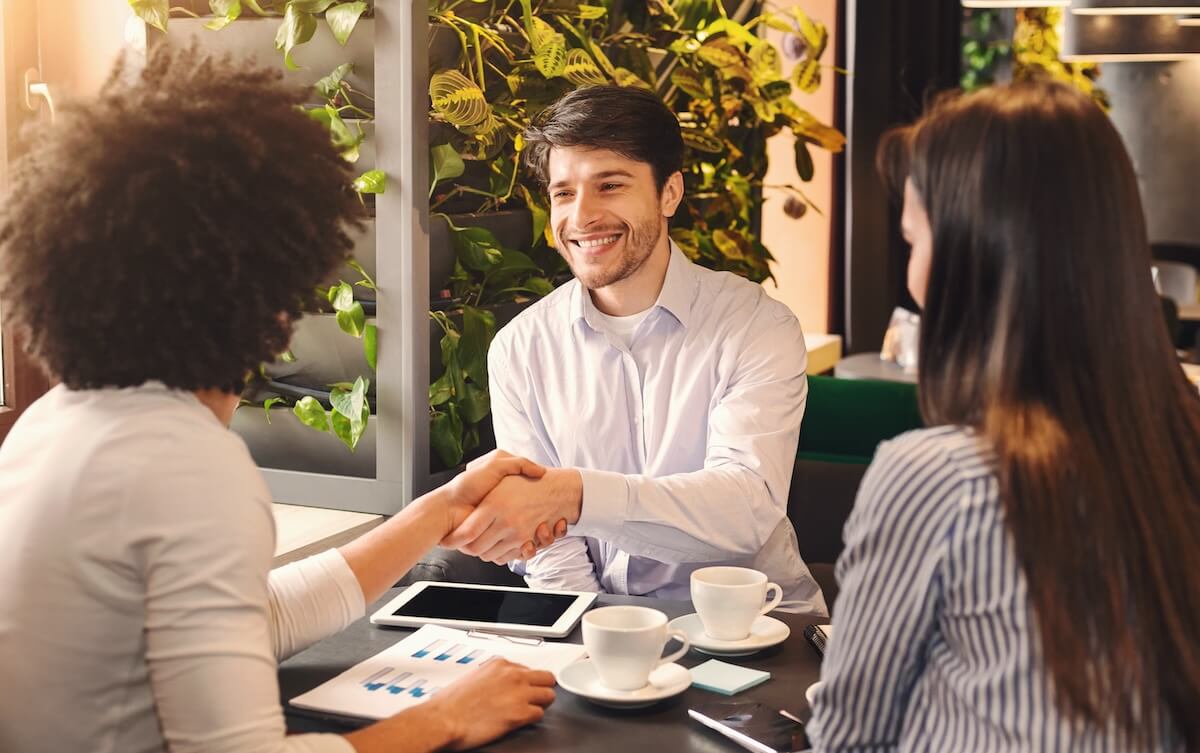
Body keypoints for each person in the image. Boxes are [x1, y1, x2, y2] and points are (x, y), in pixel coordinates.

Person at [0, 49, 555, 753]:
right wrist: (445, 716)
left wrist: (441, 509)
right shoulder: (185, 464)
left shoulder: (56, 425)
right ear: (267, 289)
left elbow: (253, 618)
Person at [807, 80, 1200, 752]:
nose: (912, 276)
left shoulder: (940, 478)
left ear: (970, 257)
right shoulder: (1178, 449)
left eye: (913, 241)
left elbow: (848, 737)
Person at [443, 85, 827, 617]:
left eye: (610, 185)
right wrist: (600, 633)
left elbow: (745, 511)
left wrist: (574, 496)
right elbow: (547, 543)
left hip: (754, 628)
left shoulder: (756, 325)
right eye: (563, 193)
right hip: (594, 623)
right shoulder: (521, 347)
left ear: (669, 193)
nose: (582, 217)